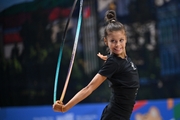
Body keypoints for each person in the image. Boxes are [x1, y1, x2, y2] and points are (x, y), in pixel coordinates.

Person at [53, 10, 140, 120]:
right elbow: (89, 88)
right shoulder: (113, 63)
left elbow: (119, 66)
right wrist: (64, 108)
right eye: (113, 41)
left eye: (121, 40)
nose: (118, 44)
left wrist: (109, 58)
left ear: (126, 39)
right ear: (105, 41)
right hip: (114, 117)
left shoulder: (121, 60)